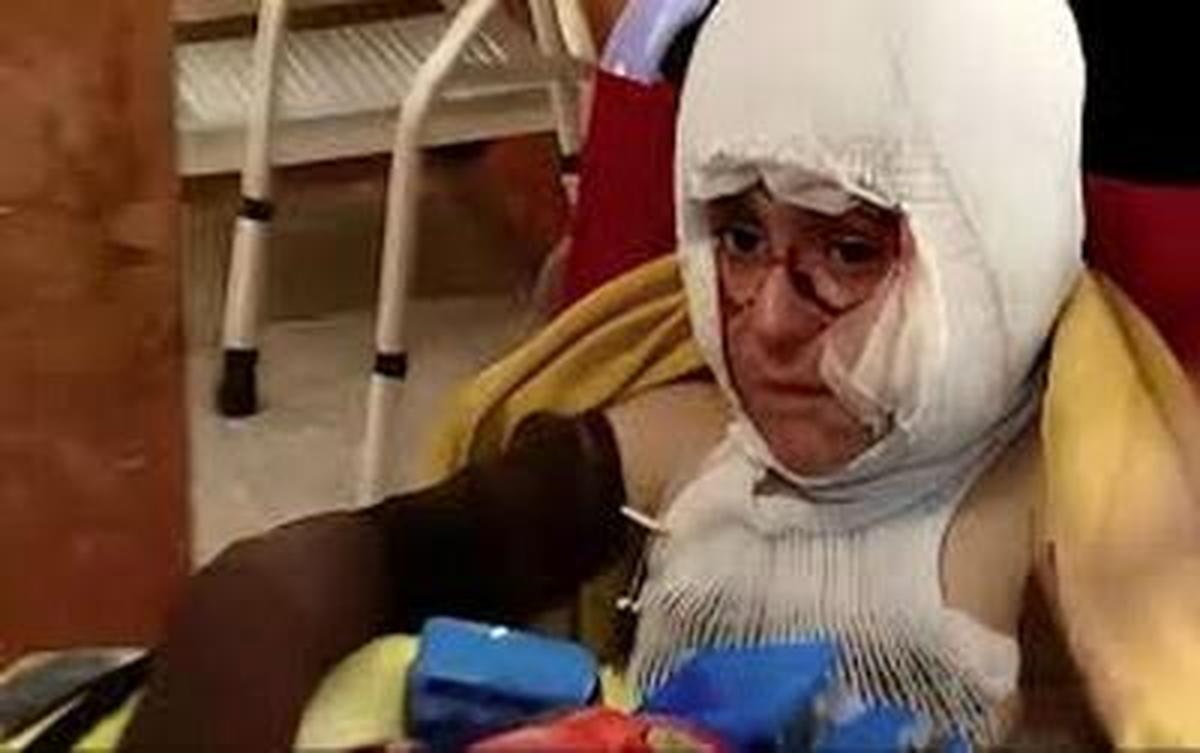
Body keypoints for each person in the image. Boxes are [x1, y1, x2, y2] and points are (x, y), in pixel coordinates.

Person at [118, 0, 1168, 748]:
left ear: (998, 252)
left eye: (851, 252)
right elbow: (287, 579)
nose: (766, 321)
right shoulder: (680, 445)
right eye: (740, 238)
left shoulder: (1076, 505)